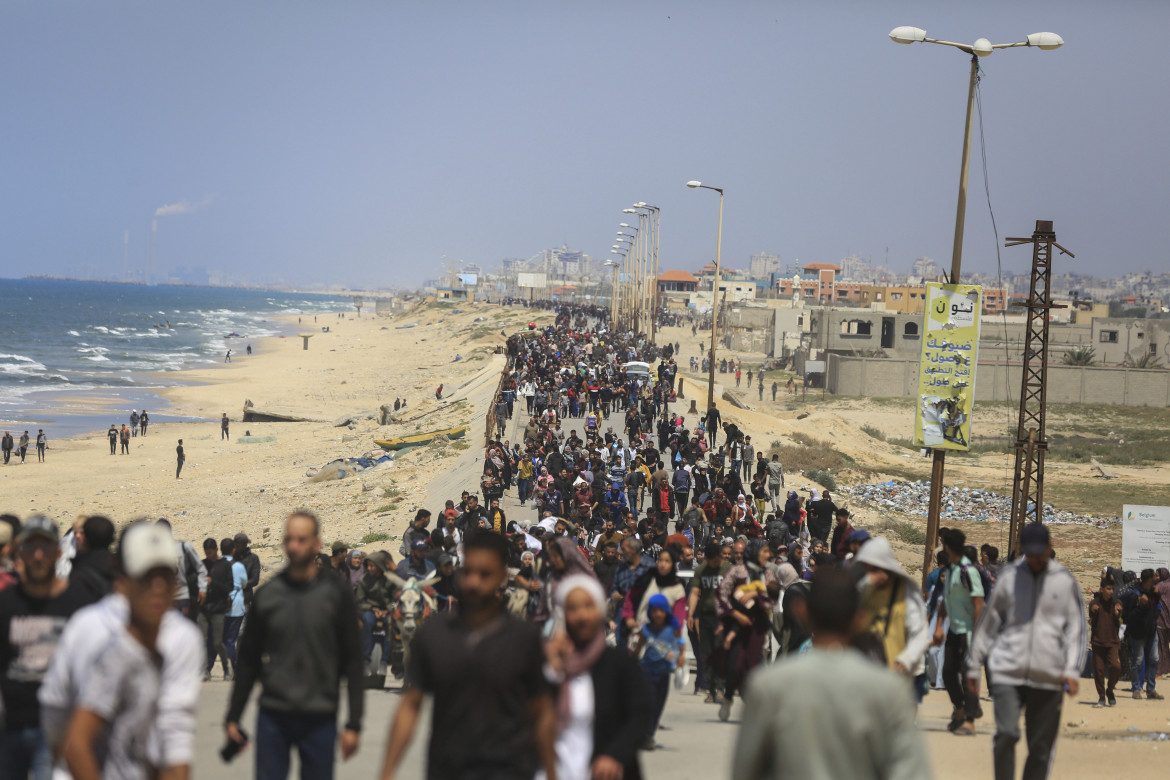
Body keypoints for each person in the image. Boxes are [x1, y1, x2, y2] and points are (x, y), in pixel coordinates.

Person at [378, 531, 556, 780]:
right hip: (448, 767)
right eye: (468, 572)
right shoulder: (434, 633)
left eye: (485, 574)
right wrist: (387, 771)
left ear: (502, 578)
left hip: (510, 768)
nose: (474, 582)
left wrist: (551, 771)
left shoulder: (524, 638)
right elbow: (410, 705)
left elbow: (542, 711)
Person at [38, 521, 204, 780]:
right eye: (147, 575)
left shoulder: (183, 639)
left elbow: (175, 735)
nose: (158, 587)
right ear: (122, 575)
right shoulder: (90, 630)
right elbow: (65, 728)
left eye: (166, 575)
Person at [732, 566, 931, 780]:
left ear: (802, 611)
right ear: (861, 619)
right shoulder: (889, 691)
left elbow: (746, 770)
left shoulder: (768, 686)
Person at [225, 511, 365, 780]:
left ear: (316, 544)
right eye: (289, 539)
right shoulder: (269, 596)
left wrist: (354, 724)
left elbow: (353, 660)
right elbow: (248, 660)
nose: (293, 546)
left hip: (320, 716)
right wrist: (233, 717)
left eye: (302, 540)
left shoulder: (336, 595)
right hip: (273, 715)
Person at [966, 523, 1086, 780]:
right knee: (1007, 734)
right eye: (1029, 553)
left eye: (1039, 553)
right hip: (1008, 671)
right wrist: (974, 665)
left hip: (1048, 676)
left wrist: (1072, 670)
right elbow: (989, 623)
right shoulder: (1009, 578)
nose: (1034, 559)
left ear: (1049, 548)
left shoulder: (1064, 582)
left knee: (1040, 749)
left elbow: (1076, 629)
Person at [0, 516, 96, 779]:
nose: (38, 555)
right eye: (31, 547)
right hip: (10, 729)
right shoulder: (6, 604)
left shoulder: (78, 603)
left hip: (58, 730)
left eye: (46, 547)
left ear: (58, 552)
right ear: (20, 551)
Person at [542, 575, 651, 780]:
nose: (581, 615)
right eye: (572, 608)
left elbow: (639, 715)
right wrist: (551, 668)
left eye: (588, 606)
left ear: (600, 610)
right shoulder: (550, 663)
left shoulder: (619, 663)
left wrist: (614, 755)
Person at [853, 536, 930, 698]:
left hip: (897, 672)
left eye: (874, 569)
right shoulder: (865, 589)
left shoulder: (906, 591)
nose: (871, 574)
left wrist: (906, 660)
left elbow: (919, 632)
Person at [933, 527, 984, 735]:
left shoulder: (967, 571)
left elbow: (979, 604)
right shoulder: (952, 570)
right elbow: (946, 600)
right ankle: (961, 708)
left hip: (969, 632)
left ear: (948, 546)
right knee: (947, 672)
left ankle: (969, 719)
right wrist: (938, 626)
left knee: (967, 675)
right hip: (954, 630)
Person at [632, 593, 685, 750]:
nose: (657, 614)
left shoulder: (672, 628)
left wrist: (681, 655)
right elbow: (638, 648)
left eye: (660, 610)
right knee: (649, 704)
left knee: (659, 706)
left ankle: (649, 734)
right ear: (650, 612)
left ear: (666, 611)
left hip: (664, 674)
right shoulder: (646, 630)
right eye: (654, 611)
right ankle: (647, 736)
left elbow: (680, 641)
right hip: (647, 672)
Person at [1122, 567, 1164, 700]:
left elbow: (1155, 609)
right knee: (1138, 661)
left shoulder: (1153, 592)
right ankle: (1136, 689)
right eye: (1154, 577)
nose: (1157, 578)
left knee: (1154, 659)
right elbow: (1129, 617)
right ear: (1149, 580)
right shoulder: (1135, 594)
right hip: (1138, 633)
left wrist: (1157, 596)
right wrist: (1141, 606)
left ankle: (1150, 689)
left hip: (1151, 631)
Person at [199, 537, 233, 681]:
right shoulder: (202, 565)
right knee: (202, 640)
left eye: (211, 553)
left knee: (217, 642)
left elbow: (229, 587)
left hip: (218, 608)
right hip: (203, 608)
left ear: (216, 550)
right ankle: (205, 670)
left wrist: (213, 583)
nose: (209, 556)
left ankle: (226, 667)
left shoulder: (225, 565)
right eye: (206, 553)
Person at [1088, 573, 1122, 706]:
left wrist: (1117, 613)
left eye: (1112, 589)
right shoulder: (1094, 603)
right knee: (1099, 671)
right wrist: (1093, 610)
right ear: (1101, 589)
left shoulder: (1116, 603)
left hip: (1112, 642)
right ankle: (1101, 696)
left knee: (1116, 666)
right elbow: (1091, 619)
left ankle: (1110, 689)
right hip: (1098, 642)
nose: (1111, 592)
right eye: (1108, 589)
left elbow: (1120, 621)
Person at [68, 515, 116, 602]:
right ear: (112, 540)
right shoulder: (121, 570)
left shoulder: (78, 571)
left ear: (85, 539)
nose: (77, 536)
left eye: (81, 533)